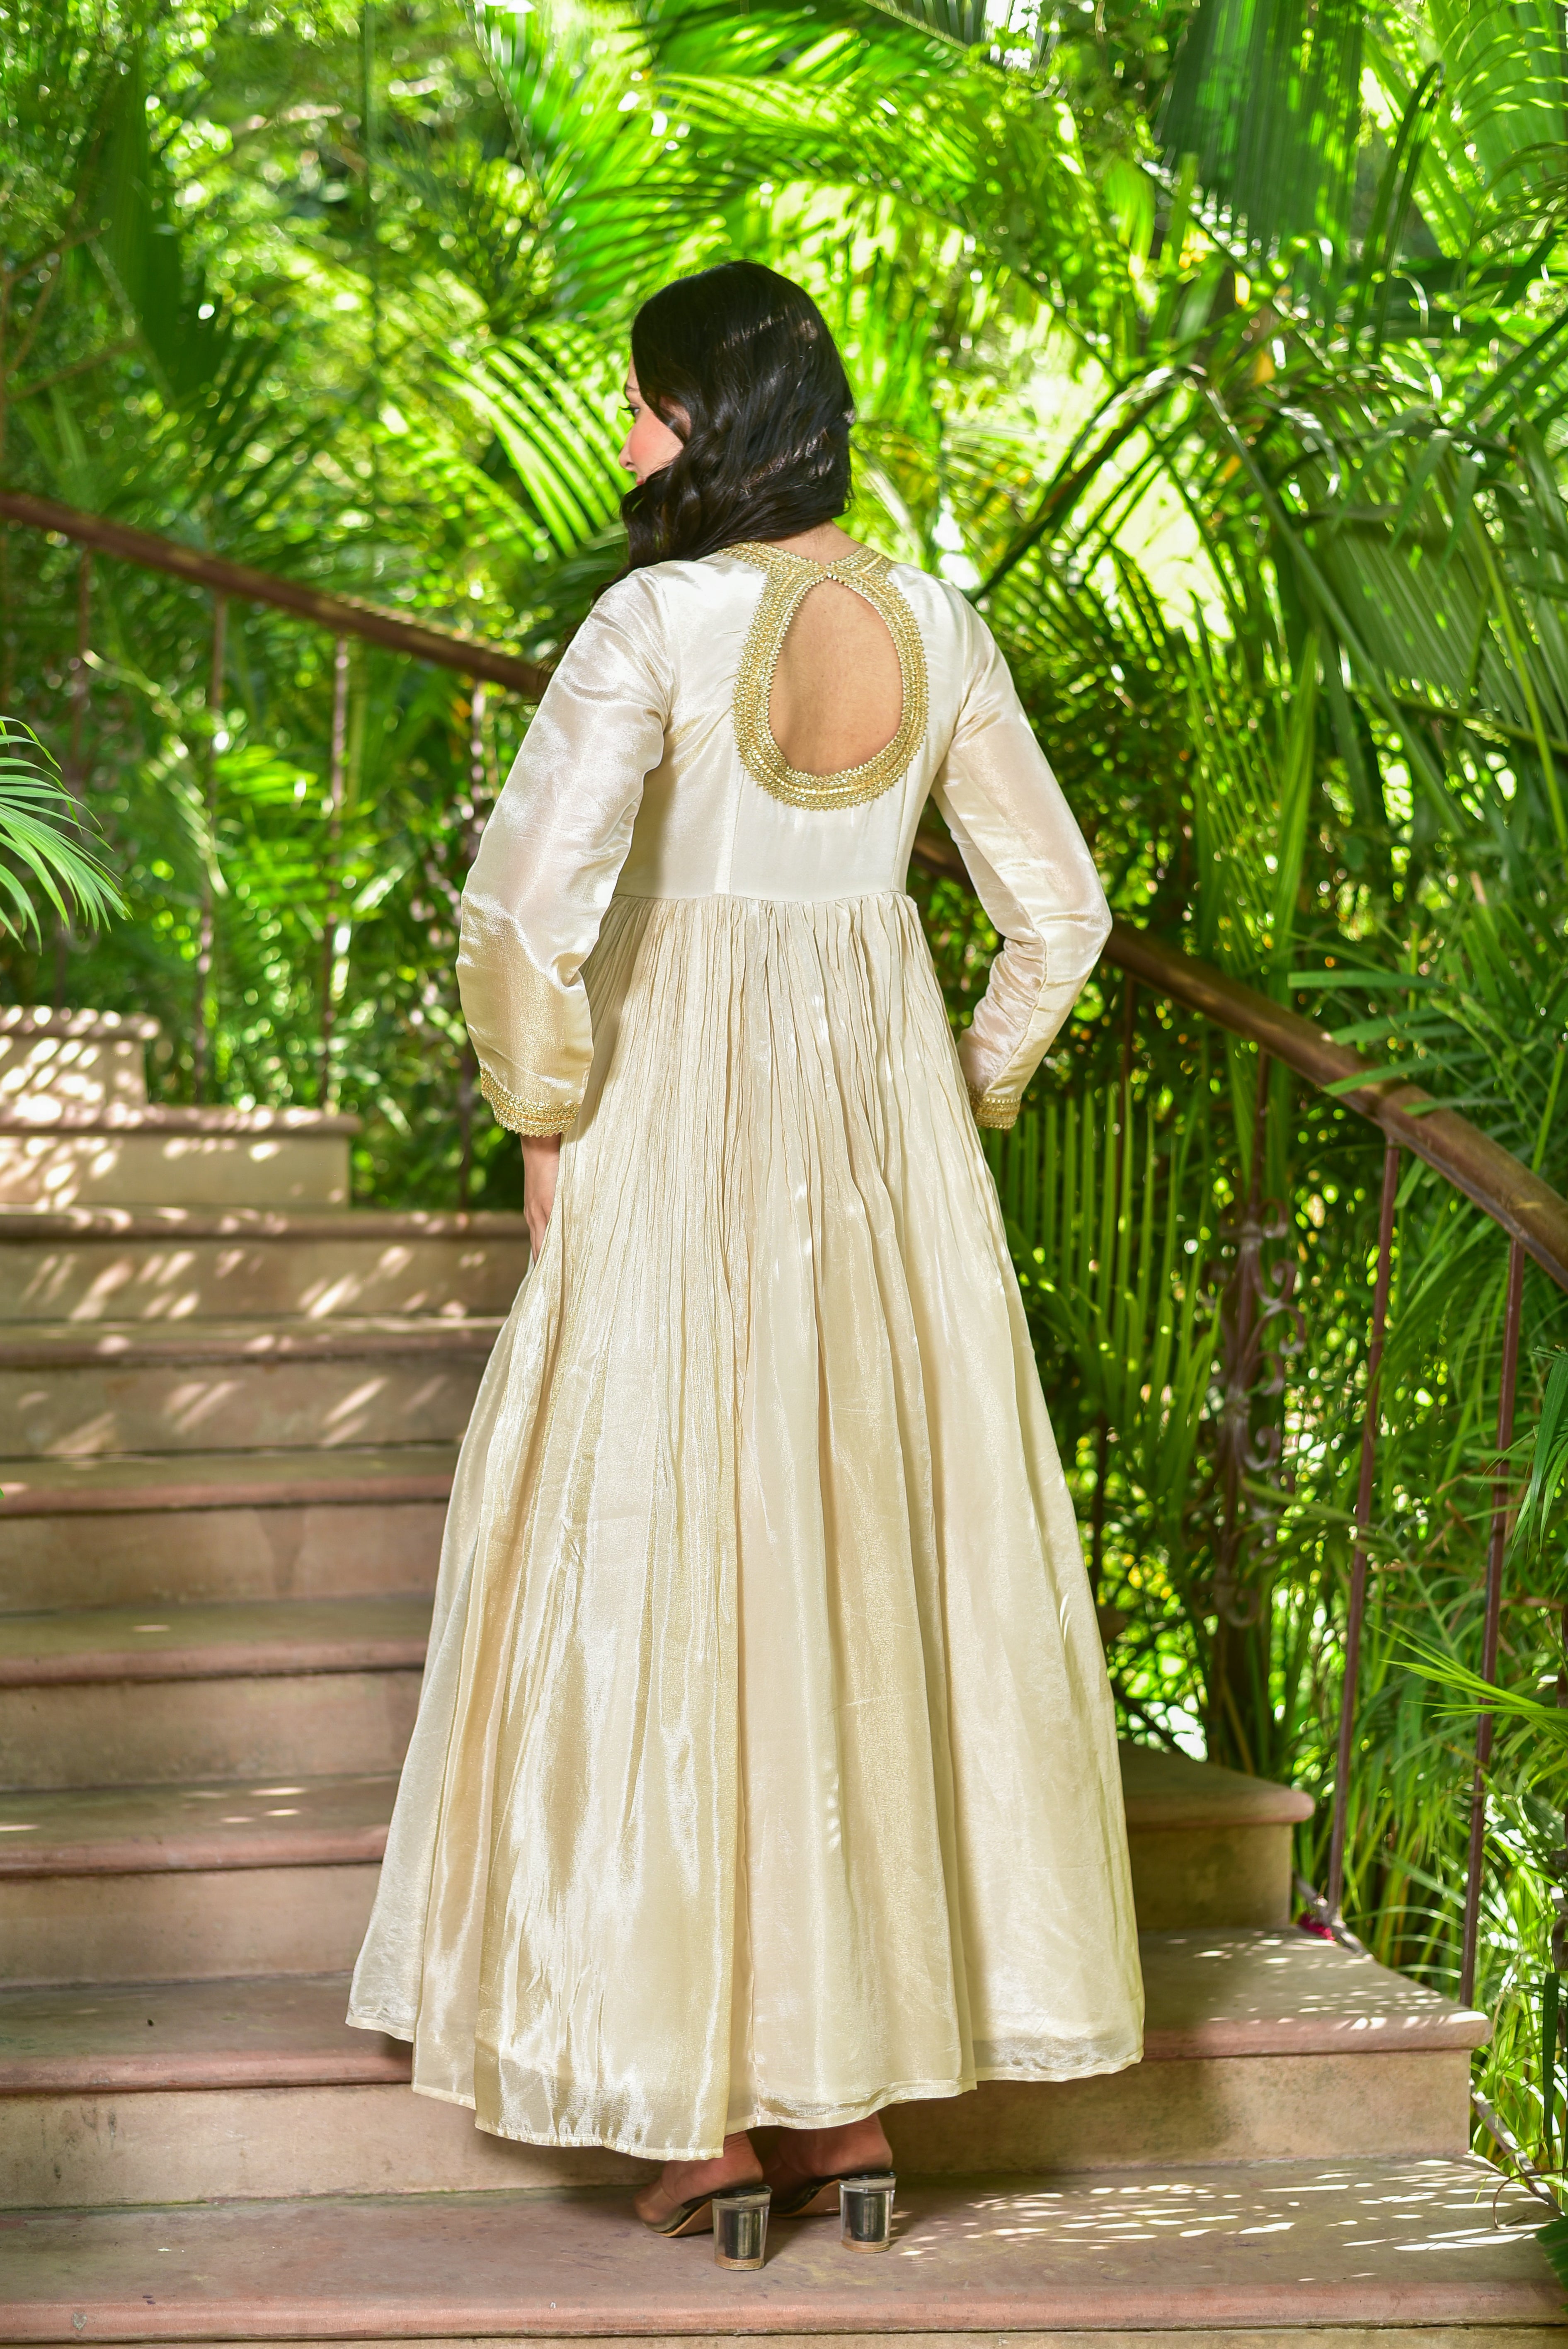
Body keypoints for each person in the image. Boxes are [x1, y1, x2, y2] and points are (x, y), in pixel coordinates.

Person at [347, 258, 1143, 2239]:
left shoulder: (656, 622)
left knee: (666, 1566)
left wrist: (546, 1105)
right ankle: (847, 2116)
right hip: (877, 1165)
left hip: (675, 1137)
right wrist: (955, 1089)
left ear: (706, 420)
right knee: (853, 1574)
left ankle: (694, 2113)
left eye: (642, 402)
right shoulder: (940, 629)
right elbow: (1061, 916)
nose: (625, 436)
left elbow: (527, 909)